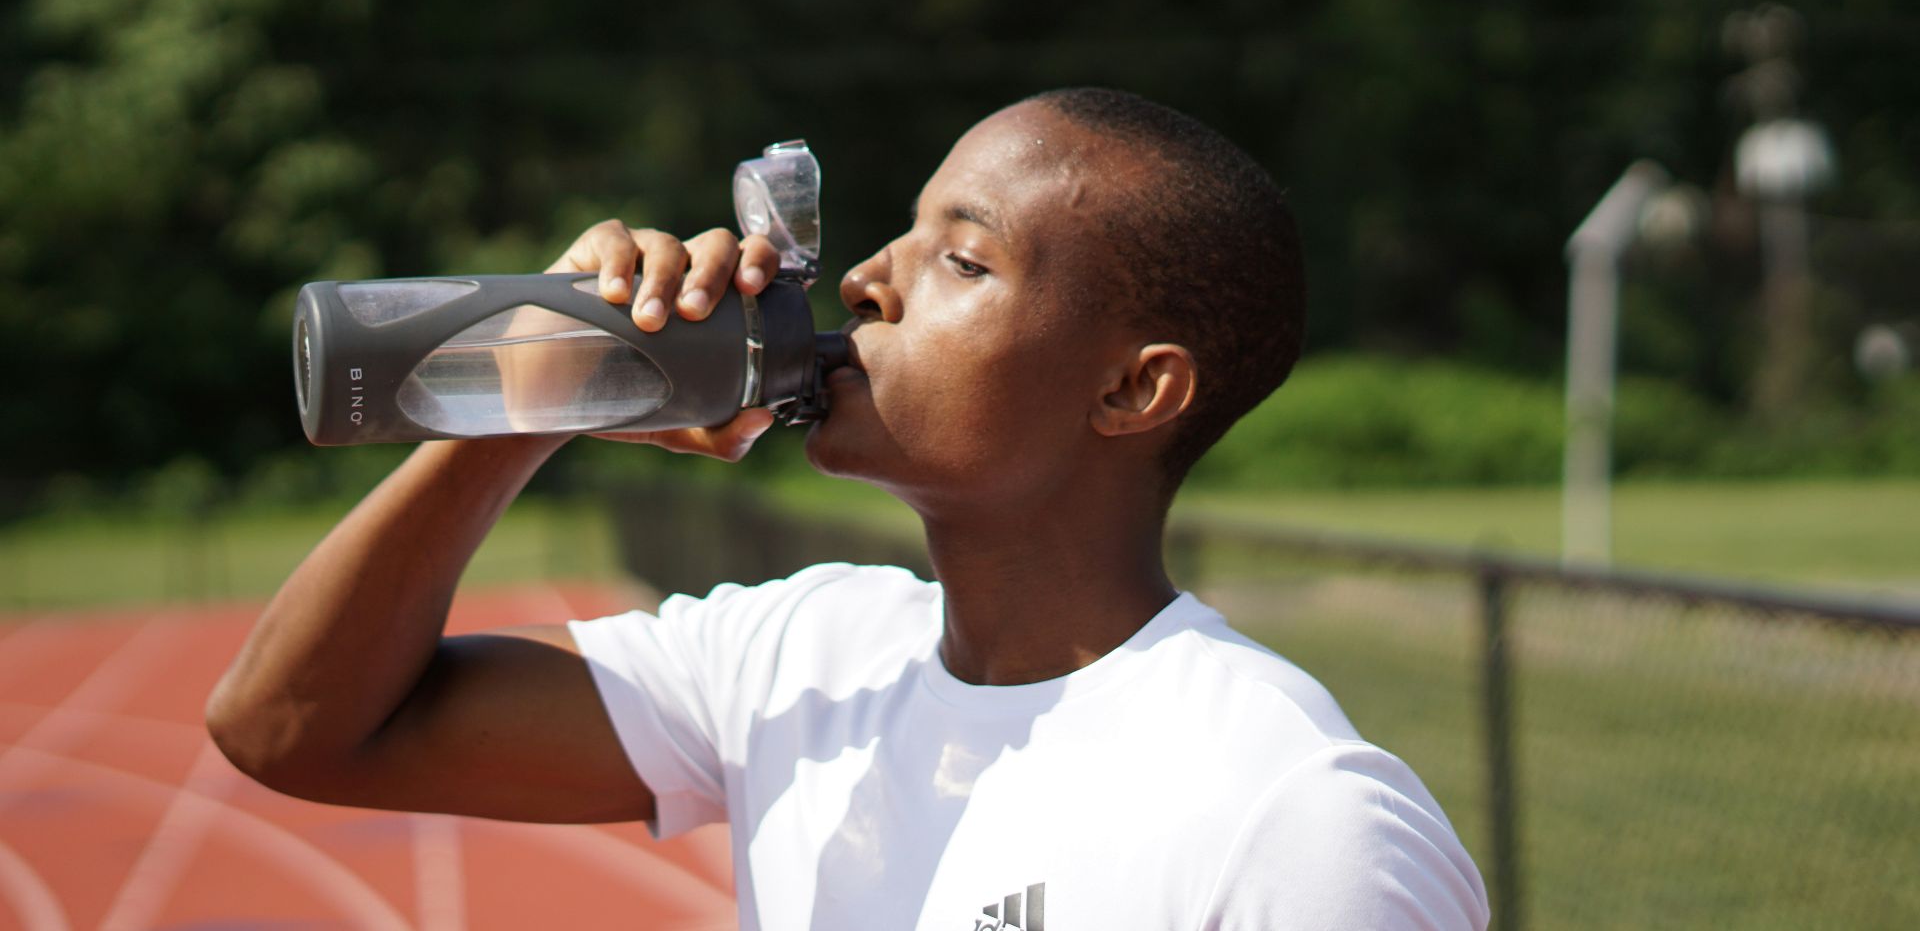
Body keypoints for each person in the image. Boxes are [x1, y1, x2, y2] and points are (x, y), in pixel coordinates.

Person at [208, 88, 1490, 929]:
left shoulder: (1294, 816)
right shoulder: (801, 657)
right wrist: (542, 379)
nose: (870, 281)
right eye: (900, 237)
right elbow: (293, 727)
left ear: (1131, 389)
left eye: (963, 260)